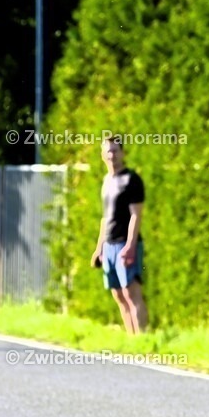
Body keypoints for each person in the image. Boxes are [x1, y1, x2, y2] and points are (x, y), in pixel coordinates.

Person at [90, 135, 148, 333]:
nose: (111, 155)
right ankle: (131, 339)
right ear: (102, 155)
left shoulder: (131, 180)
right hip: (109, 245)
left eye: (115, 150)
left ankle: (143, 340)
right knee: (118, 295)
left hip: (125, 244)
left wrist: (130, 247)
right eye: (108, 151)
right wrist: (99, 249)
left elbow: (136, 216)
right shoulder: (107, 181)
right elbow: (105, 218)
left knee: (132, 293)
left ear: (122, 153)